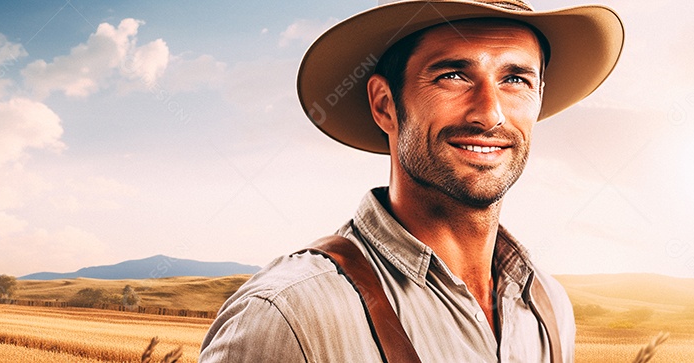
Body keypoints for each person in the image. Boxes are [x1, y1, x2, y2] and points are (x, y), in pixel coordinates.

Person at [200, 0, 623, 362]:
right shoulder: (289, 315)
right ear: (385, 105)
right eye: (453, 75)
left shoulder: (547, 309)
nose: (489, 113)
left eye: (515, 79)